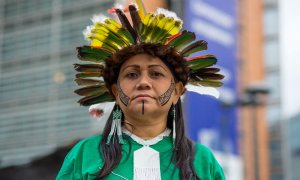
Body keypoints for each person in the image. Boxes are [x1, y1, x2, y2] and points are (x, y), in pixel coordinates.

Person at [57, 0, 225, 179]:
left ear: (177, 91)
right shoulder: (85, 154)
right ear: (115, 91)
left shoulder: (202, 160)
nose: (143, 82)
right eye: (131, 75)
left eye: (156, 74)